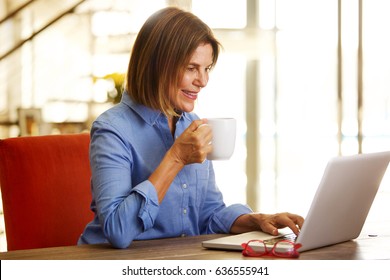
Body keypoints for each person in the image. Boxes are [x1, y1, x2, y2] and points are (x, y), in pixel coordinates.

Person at [78, 7, 304, 249]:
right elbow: (118, 231)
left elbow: (208, 214)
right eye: (191, 68)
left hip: (180, 260)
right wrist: (176, 158)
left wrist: (256, 220)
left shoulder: (190, 123)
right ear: (157, 66)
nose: (203, 81)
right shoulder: (112, 129)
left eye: (207, 69)